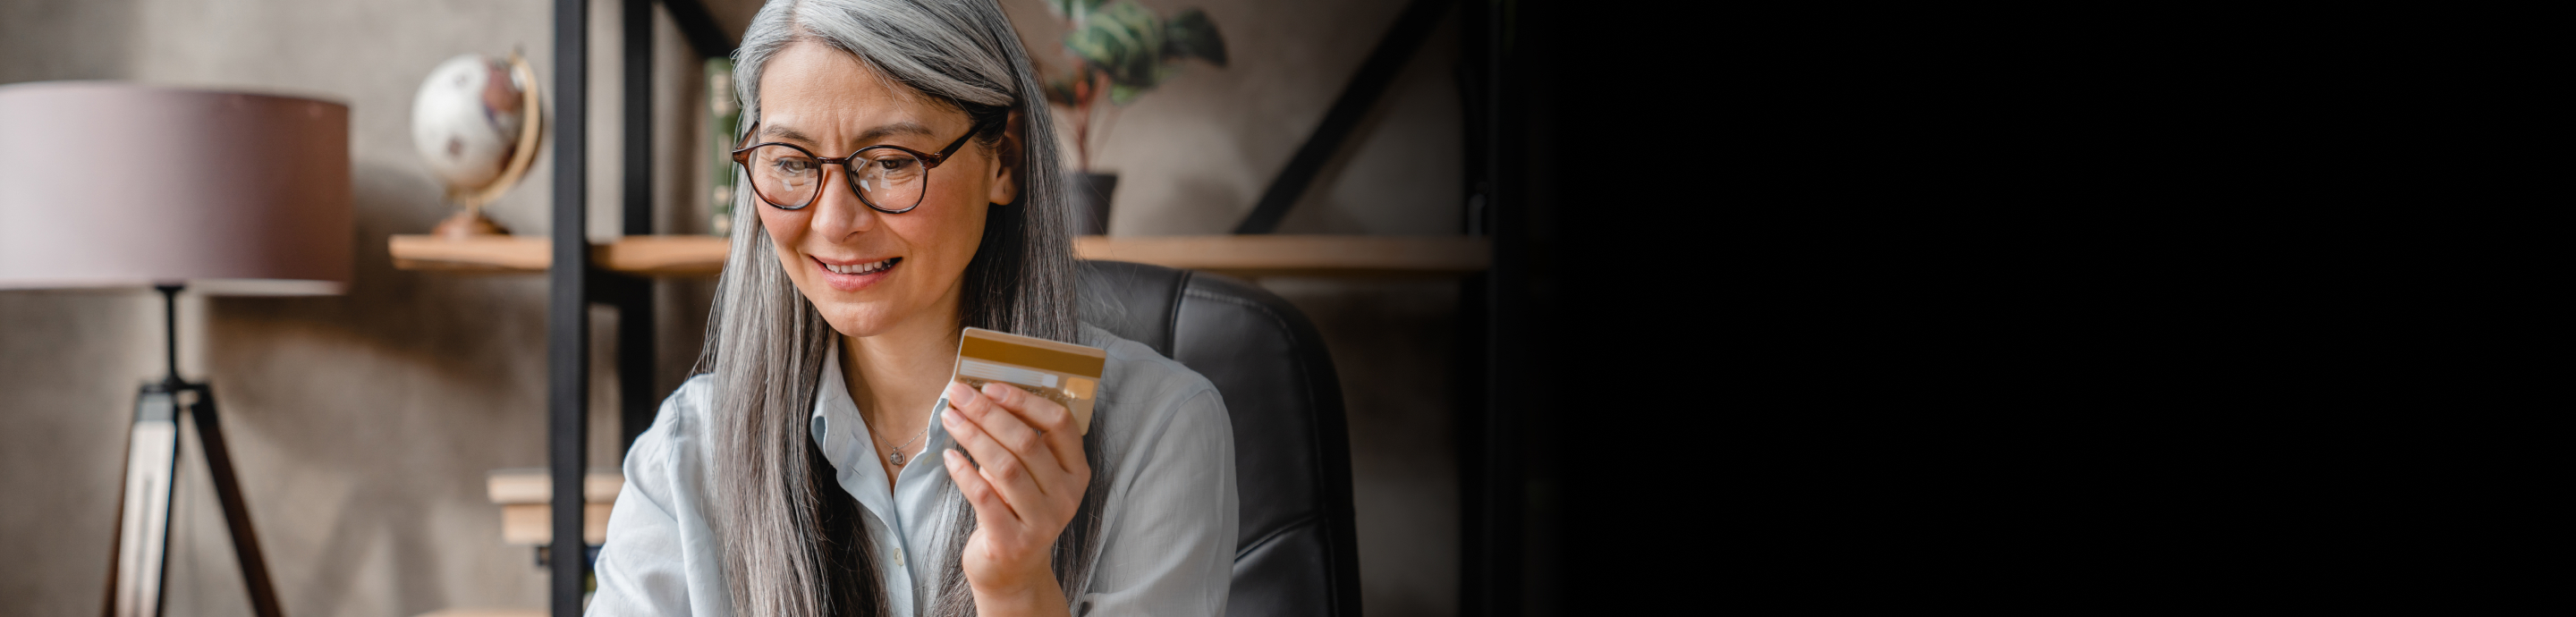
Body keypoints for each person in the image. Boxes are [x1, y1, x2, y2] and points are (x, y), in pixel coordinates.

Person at [586, 0, 1237, 614]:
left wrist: (1017, 588)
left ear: (1003, 160)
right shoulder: (685, 452)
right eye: (791, 162)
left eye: (891, 162)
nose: (835, 221)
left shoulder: (1159, 430)